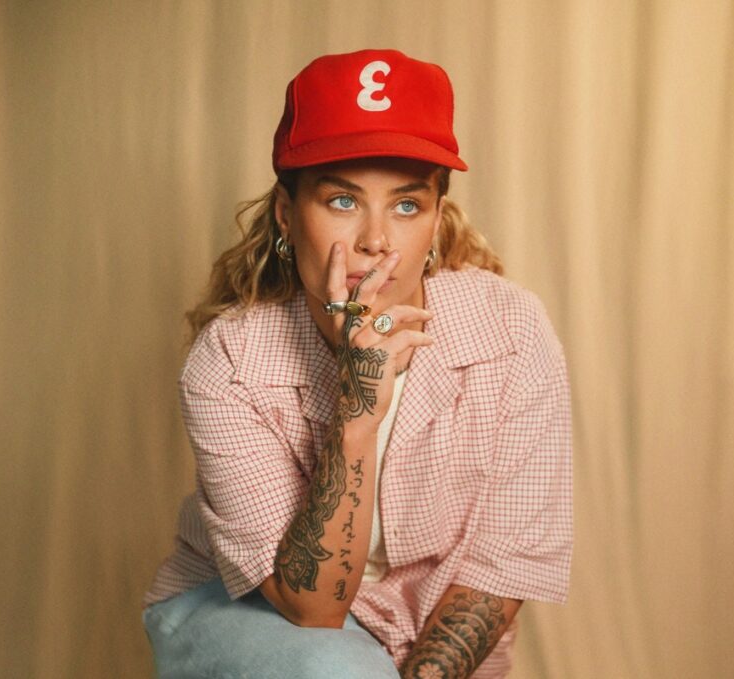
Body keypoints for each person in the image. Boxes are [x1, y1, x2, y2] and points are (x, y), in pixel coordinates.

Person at [142, 48, 573, 679]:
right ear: (288, 215)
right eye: (343, 201)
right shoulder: (230, 360)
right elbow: (311, 609)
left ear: (437, 217)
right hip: (248, 613)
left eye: (406, 205)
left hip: (414, 638)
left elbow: (502, 564)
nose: (376, 240)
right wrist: (357, 407)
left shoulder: (510, 330)